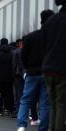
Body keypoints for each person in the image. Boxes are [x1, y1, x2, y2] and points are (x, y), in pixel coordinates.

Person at [17, 10, 54, 131]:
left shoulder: (30, 37)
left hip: (32, 73)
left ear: (41, 20)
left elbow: (23, 56)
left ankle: (21, 125)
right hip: (47, 73)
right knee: (45, 103)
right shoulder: (54, 37)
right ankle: (43, 128)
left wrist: (28, 68)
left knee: (26, 100)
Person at [42, 0, 66, 130]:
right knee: (61, 104)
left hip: (48, 69)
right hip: (62, 69)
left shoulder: (50, 22)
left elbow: (44, 46)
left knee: (54, 104)